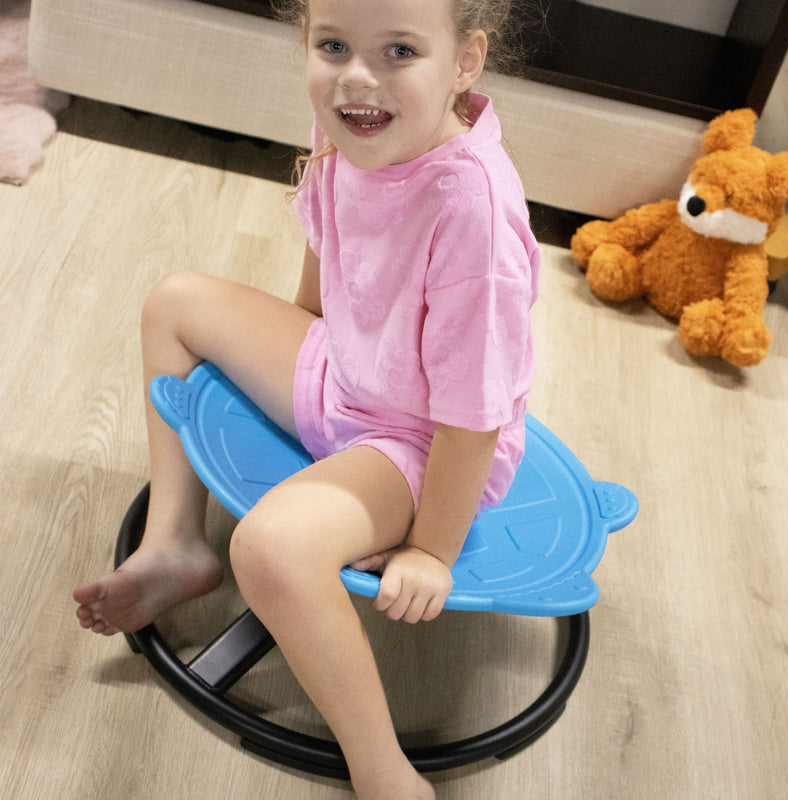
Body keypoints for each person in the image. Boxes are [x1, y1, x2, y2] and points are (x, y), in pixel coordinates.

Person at [74, 0, 539, 797]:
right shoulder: (352, 120)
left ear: (465, 61)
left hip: (423, 444)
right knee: (174, 302)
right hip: (347, 372)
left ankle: (381, 766)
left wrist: (432, 551)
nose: (358, 75)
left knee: (269, 548)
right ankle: (177, 546)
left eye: (399, 50)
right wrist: (297, 340)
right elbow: (329, 246)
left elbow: (473, 418)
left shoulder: (472, 212)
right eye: (333, 45)